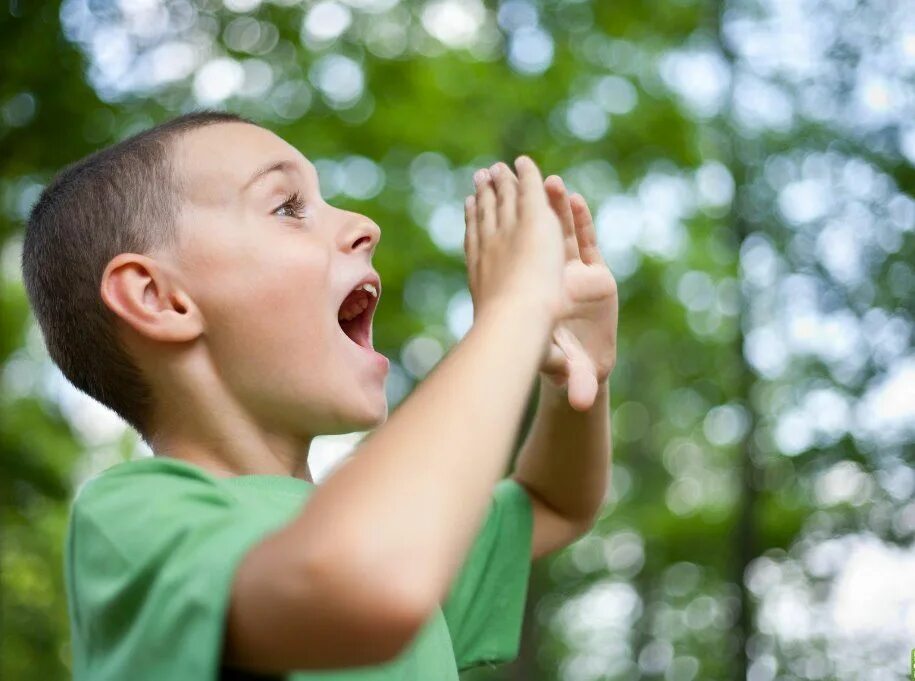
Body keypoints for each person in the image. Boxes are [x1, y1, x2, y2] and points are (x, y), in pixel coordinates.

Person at [21, 109, 618, 680]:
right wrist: (514, 313)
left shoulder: (387, 523)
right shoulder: (133, 518)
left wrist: (571, 378)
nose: (365, 226)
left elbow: (552, 504)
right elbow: (367, 581)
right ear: (159, 298)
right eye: (288, 207)